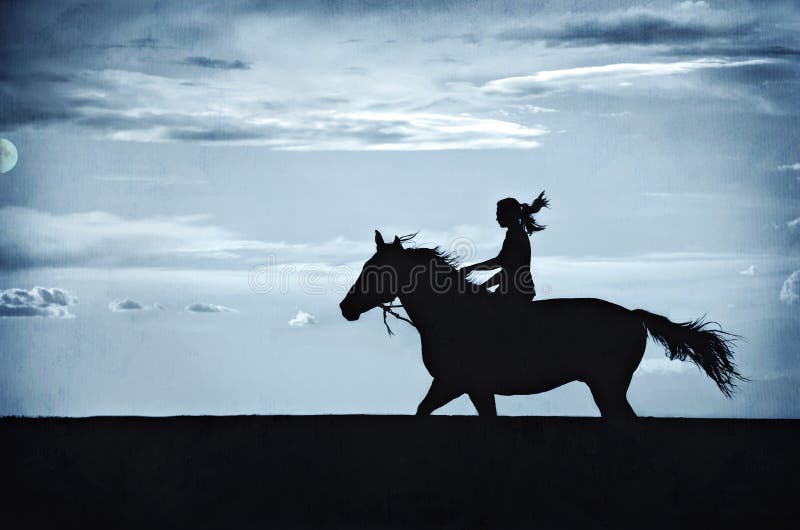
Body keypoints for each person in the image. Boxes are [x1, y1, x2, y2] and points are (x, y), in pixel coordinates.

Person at [460, 192, 549, 303]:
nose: (497, 218)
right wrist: (483, 285)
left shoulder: (515, 234)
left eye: (499, 213)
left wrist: (471, 268)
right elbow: (506, 270)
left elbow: (500, 262)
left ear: (508, 214)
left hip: (516, 292)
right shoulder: (515, 233)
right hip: (518, 289)